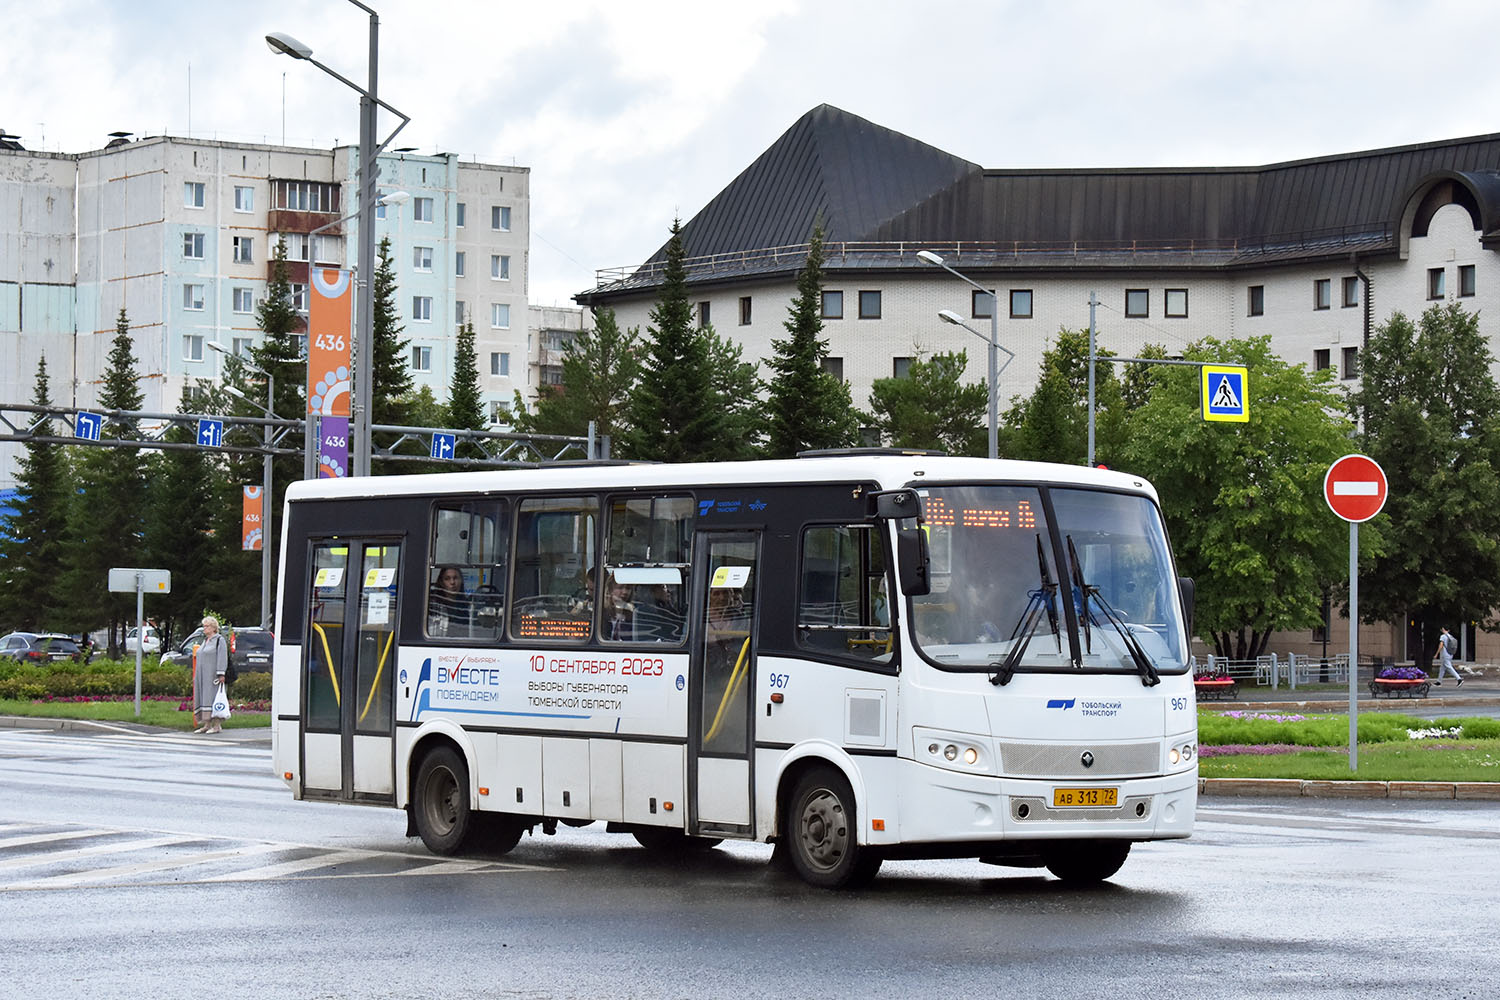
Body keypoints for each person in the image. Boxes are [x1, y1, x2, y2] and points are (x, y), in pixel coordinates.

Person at [193, 615, 229, 735]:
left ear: (213, 627)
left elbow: (222, 657)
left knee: (213, 698)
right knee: (204, 697)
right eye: (204, 626)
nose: (204, 628)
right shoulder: (205, 641)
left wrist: (221, 673)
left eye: (207, 626)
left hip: (213, 675)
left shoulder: (219, 640)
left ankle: (217, 725)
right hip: (202, 676)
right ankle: (206, 724)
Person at [428, 565, 469, 637]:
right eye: (447, 579)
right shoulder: (432, 605)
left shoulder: (467, 606)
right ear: (441, 582)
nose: (452, 582)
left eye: (455, 578)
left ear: (461, 581)